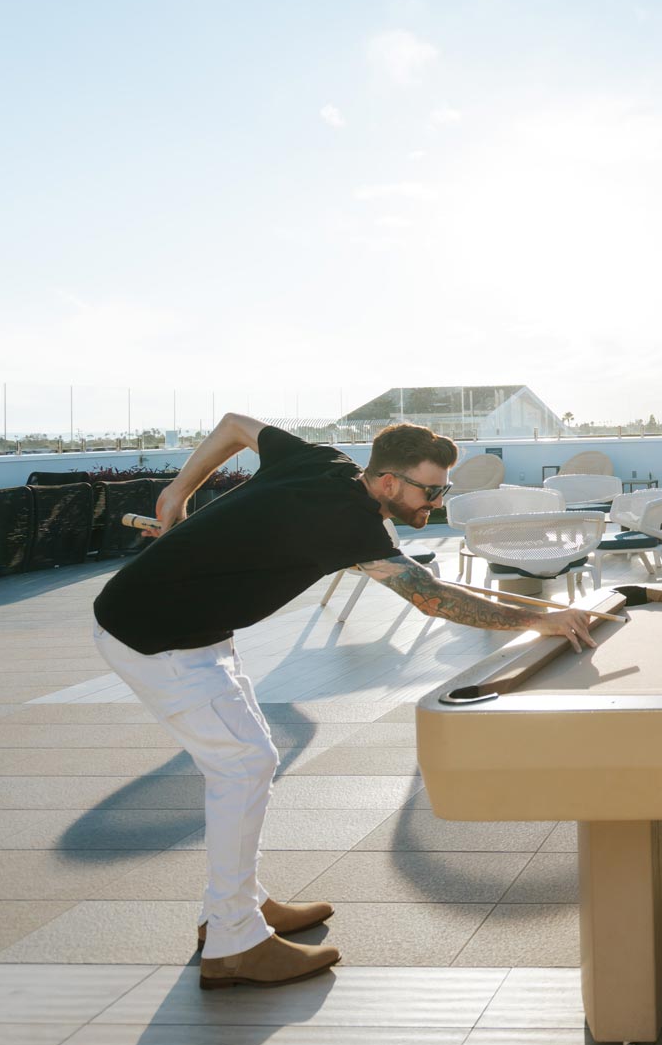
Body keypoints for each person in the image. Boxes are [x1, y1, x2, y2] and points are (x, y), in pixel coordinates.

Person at [92, 415, 596, 990]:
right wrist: (542, 618)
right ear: (386, 483)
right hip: (153, 635)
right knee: (244, 764)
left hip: (199, 632)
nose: (436, 500)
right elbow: (433, 601)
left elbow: (234, 426)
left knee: (247, 763)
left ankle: (233, 907)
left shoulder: (322, 461)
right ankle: (234, 944)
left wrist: (177, 494)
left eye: (443, 490)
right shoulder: (355, 526)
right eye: (429, 490)